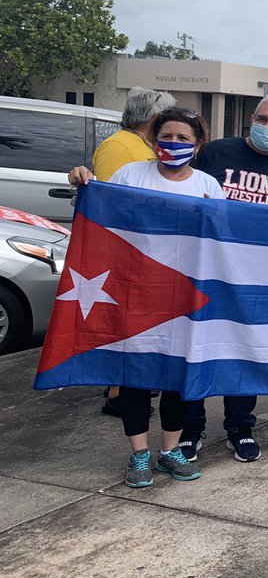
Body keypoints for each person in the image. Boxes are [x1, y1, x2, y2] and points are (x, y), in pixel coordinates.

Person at [68, 107, 222, 487]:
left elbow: (221, 241)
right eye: (165, 136)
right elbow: (102, 217)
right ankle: (138, 455)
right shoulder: (130, 175)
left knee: (176, 375)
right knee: (134, 376)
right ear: (153, 141)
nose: (173, 143)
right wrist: (82, 181)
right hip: (134, 292)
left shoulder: (207, 185)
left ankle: (169, 451)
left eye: (183, 138)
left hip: (186, 295)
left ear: (198, 144)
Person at [183, 94, 268, 463]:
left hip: (254, 275)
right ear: (250, 119)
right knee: (198, 348)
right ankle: (190, 429)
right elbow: (181, 189)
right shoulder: (217, 153)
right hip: (205, 269)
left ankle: (240, 428)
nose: (267, 127)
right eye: (262, 119)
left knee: (243, 350)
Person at [91, 85, 176, 417]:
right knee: (125, 323)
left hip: (152, 252)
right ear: (154, 118)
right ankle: (117, 393)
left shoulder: (142, 146)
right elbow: (113, 202)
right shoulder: (118, 147)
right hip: (129, 251)